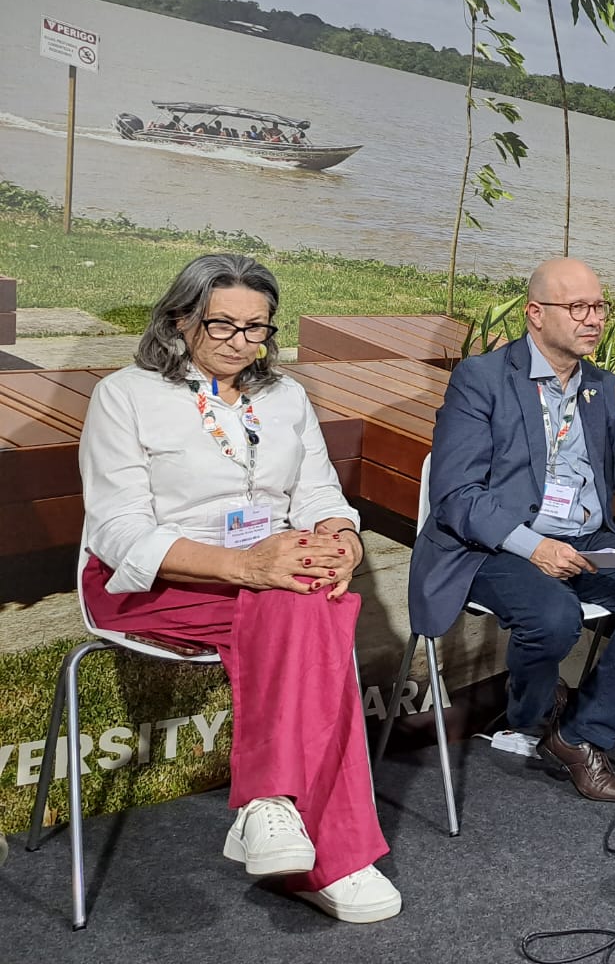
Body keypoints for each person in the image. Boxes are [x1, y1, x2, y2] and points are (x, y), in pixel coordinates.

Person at [78, 254, 399, 924]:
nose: (240, 342)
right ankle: (325, 851)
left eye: (256, 328)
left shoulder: (285, 397)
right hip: (158, 580)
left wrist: (341, 538)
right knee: (310, 611)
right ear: (180, 319)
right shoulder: (124, 395)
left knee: (306, 597)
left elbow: (318, 492)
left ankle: (270, 809)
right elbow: (118, 532)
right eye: (221, 324)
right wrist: (247, 567)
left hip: (271, 573)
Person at [412, 258, 615, 803]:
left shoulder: (602, 388)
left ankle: (579, 735)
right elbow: (456, 495)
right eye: (578, 307)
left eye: (599, 307)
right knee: (555, 617)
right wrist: (534, 546)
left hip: (586, 537)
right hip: (493, 544)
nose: (594, 319)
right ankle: (532, 713)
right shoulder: (482, 379)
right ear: (535, 314)